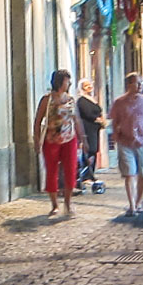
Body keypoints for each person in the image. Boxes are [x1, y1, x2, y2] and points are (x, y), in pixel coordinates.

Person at [32, 70, 88, 217]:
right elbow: (38, 121)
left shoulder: (70, 99)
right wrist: (37, 139)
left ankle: (68, 203)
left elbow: (76, 120)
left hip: (69, 139)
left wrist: (83, 138)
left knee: (70, 170)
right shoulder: (47, 100)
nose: (69, 83)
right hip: (51, 139)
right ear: (59, 82)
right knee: (52, 171)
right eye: (66, 80)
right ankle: (54, 204)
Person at [109, 72, 143, 217]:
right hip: (125, 141)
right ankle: (131, 205)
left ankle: (138, 202)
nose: (140, 86)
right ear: (129, 85)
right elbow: (115, 120)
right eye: (136, 83)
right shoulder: (119, 102)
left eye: (141, 83)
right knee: (129, 173)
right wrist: (116, 137)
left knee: (142, 173)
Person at [76, 79, 105, 186]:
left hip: (94, 129)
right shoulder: (82, 100)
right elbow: (87, 113)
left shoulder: (92, 99)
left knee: (94, 150)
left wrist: (101, 120)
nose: (89, 87)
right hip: (87, 128)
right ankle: (85, 175)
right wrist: (97, 119)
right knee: (89, 150)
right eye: (86, 86)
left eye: (90, 85)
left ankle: (91, 173)